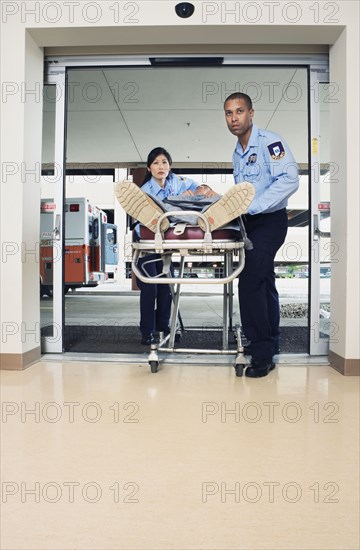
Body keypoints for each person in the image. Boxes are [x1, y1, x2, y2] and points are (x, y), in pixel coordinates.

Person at [116, 146, 255, 345]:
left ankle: (163, 327)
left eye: (164, 162)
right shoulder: (145, 191)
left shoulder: (178, 182)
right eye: (156, 163)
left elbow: (199, 189)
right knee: (150, 289)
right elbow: (138, 229)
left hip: (177, 227)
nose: (160, 166)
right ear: (149, 168)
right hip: (151, 240)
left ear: (170, 166)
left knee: (166, 289)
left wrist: (201, 191)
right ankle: (147, 331)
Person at [223, 92, 299, 378]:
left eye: (239, 111)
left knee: (250, 281)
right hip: (250, 224)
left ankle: (261, 353)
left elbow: (290, 179)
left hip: (271, 221)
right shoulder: (236, 152)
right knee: (264, 281)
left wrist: (253, 207)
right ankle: (272, 342)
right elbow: (243, 194)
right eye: (229, 113)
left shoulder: (270, 142)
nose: (234, 118)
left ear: (251, 113)